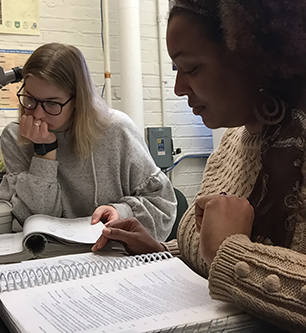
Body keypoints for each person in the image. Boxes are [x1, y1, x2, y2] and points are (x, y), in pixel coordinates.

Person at [92, 0, 306, 331]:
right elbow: (209, 257)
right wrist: (160, 251)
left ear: (251, 60)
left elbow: (223, 251)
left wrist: (230, 252)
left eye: (191, 69)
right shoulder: (230, 145)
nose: (178, 88)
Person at [0, 42, 177, 242]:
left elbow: (163, 206)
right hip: (50, 258)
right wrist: (44, 151)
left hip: (113, 254)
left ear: (78, 101)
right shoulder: (15, 137)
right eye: (30, 99)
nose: (38, 114)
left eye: (51, 103)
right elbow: (34, 221)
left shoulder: (116, 130)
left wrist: (122, 211)